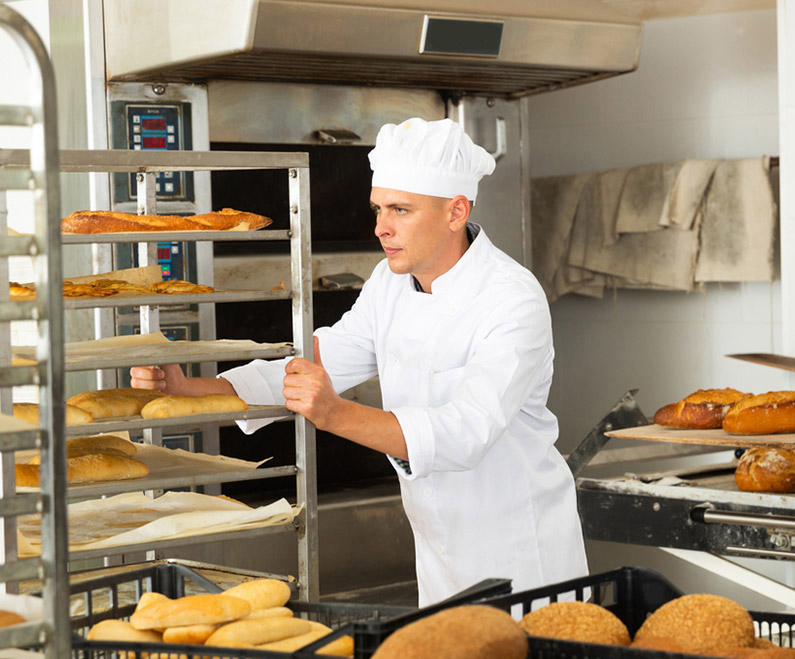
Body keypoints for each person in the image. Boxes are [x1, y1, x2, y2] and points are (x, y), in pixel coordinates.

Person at [132, 117, 588, 606]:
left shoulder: (511, 299)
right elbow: (318, 360)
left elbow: (464, 433)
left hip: (525, 559)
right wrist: (190, 389)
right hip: (439, 554)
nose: (380, 227)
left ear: (456, 211)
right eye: (377, 209)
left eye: (400, 210)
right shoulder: (390, 281)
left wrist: (335, 414)